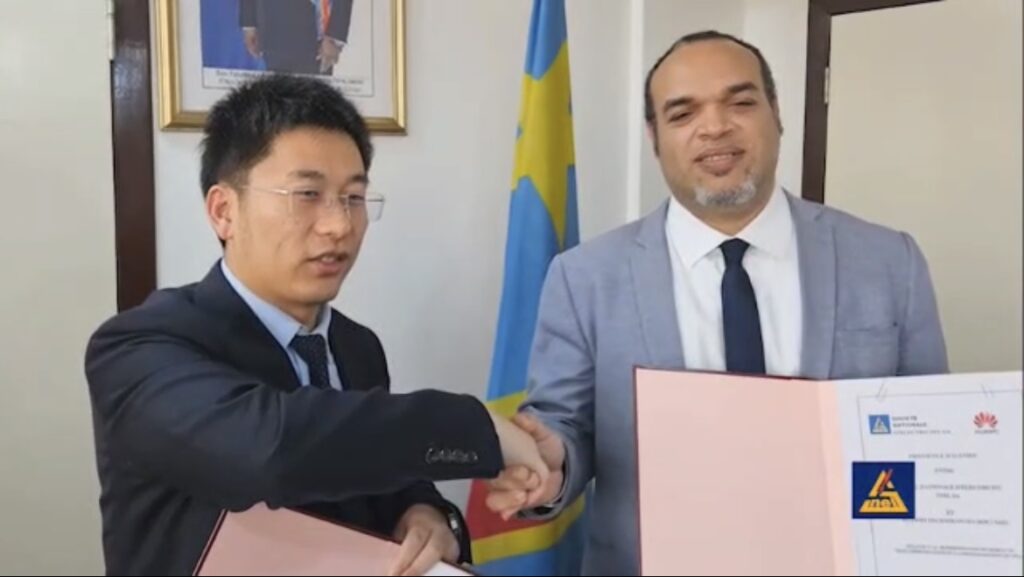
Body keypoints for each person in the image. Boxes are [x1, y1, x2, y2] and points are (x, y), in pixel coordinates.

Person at [485, 30, 949, 575]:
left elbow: (932, 433)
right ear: (654, 137)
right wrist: (552, 462)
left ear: (777, 113)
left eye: (740, 102)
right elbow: (568, 426)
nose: (715, 127)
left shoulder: (889, 262)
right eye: (683, 114)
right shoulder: (584, 277)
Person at [85, 74, 548, 577]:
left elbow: (374, 466)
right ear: (224, 212)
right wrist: (476, 427)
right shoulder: (139, 347)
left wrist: (428, 514)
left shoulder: (356, 346)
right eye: (307, 194)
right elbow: (269, 450)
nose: (339, 225)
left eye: (353, 197)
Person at [239, 0, 353, 75]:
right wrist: (249, 22)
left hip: (312, 40)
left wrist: (335, 35)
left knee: (313, 101)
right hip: (271, 32)